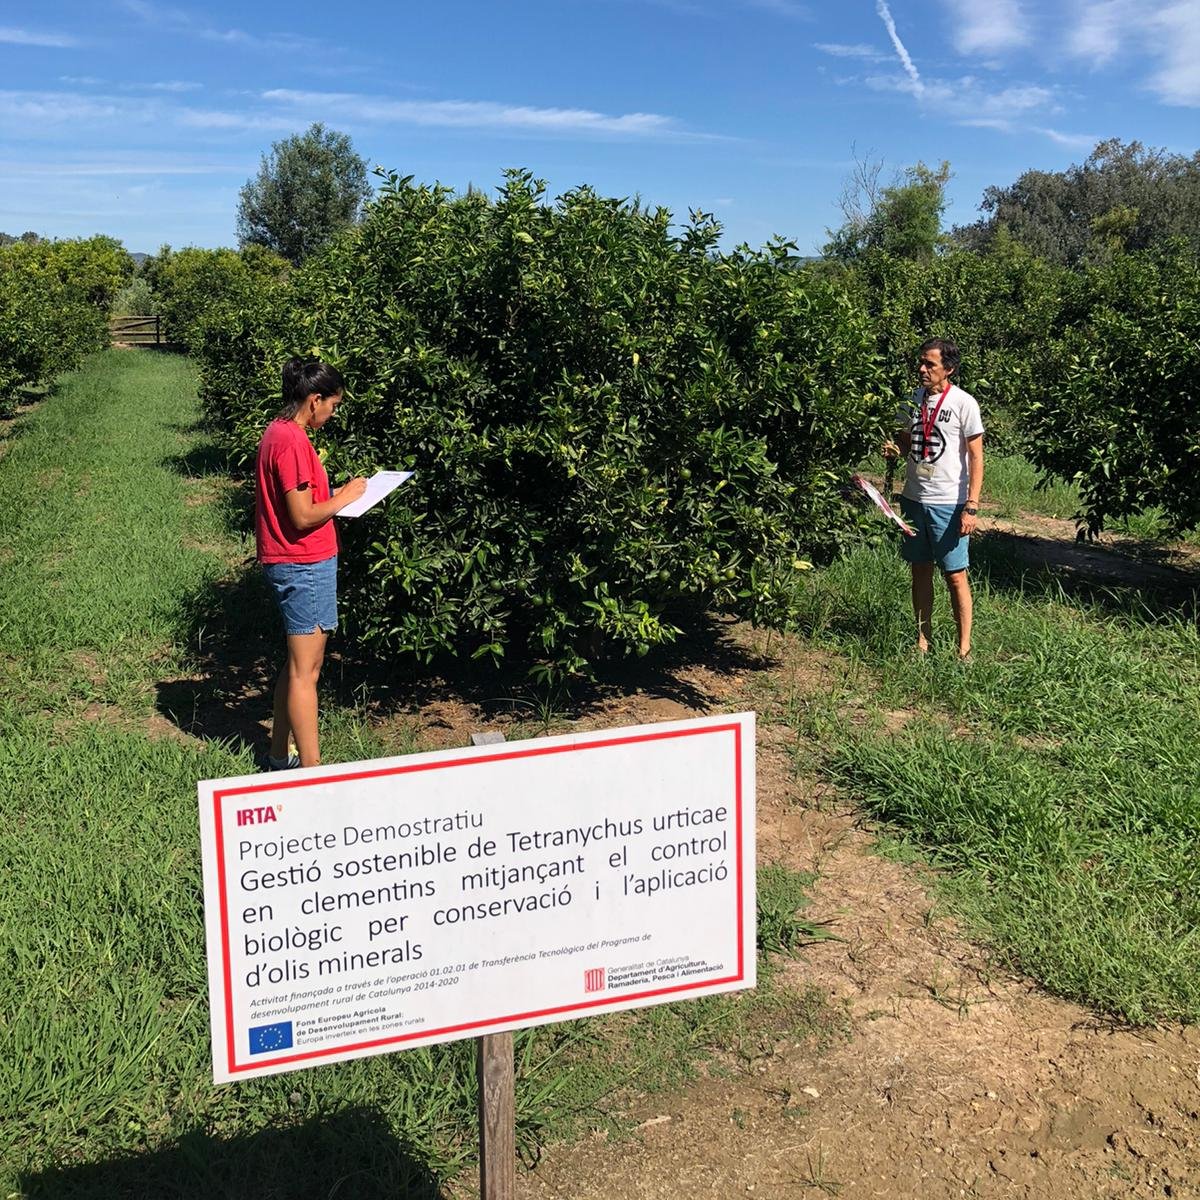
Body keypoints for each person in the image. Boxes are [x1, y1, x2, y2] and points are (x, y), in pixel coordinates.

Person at [255, 358, 367, 768]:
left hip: (291, 561)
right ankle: (311, 773)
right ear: (314, 400)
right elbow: (302, 517)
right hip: (304, 563)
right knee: (308, 670)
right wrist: (346, 497)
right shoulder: (294, 442)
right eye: (333, 405)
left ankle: (277, 752)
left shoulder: (277, 432)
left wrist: (332, 493)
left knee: (296, 663)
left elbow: (299, 502)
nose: (332, 414)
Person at [884, 338, 984, 659]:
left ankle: (964, 650)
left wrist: (972, 506)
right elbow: (904, 443)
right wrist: (894, 450)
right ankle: (922, 642)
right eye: (921, 363)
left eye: (931, 364)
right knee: (920, 570)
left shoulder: (964, 403)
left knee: (955, 575)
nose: (922, 369)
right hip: (914, 500)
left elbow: (977, 457)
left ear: (949, 369)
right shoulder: (911, 401)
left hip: (950, 504)